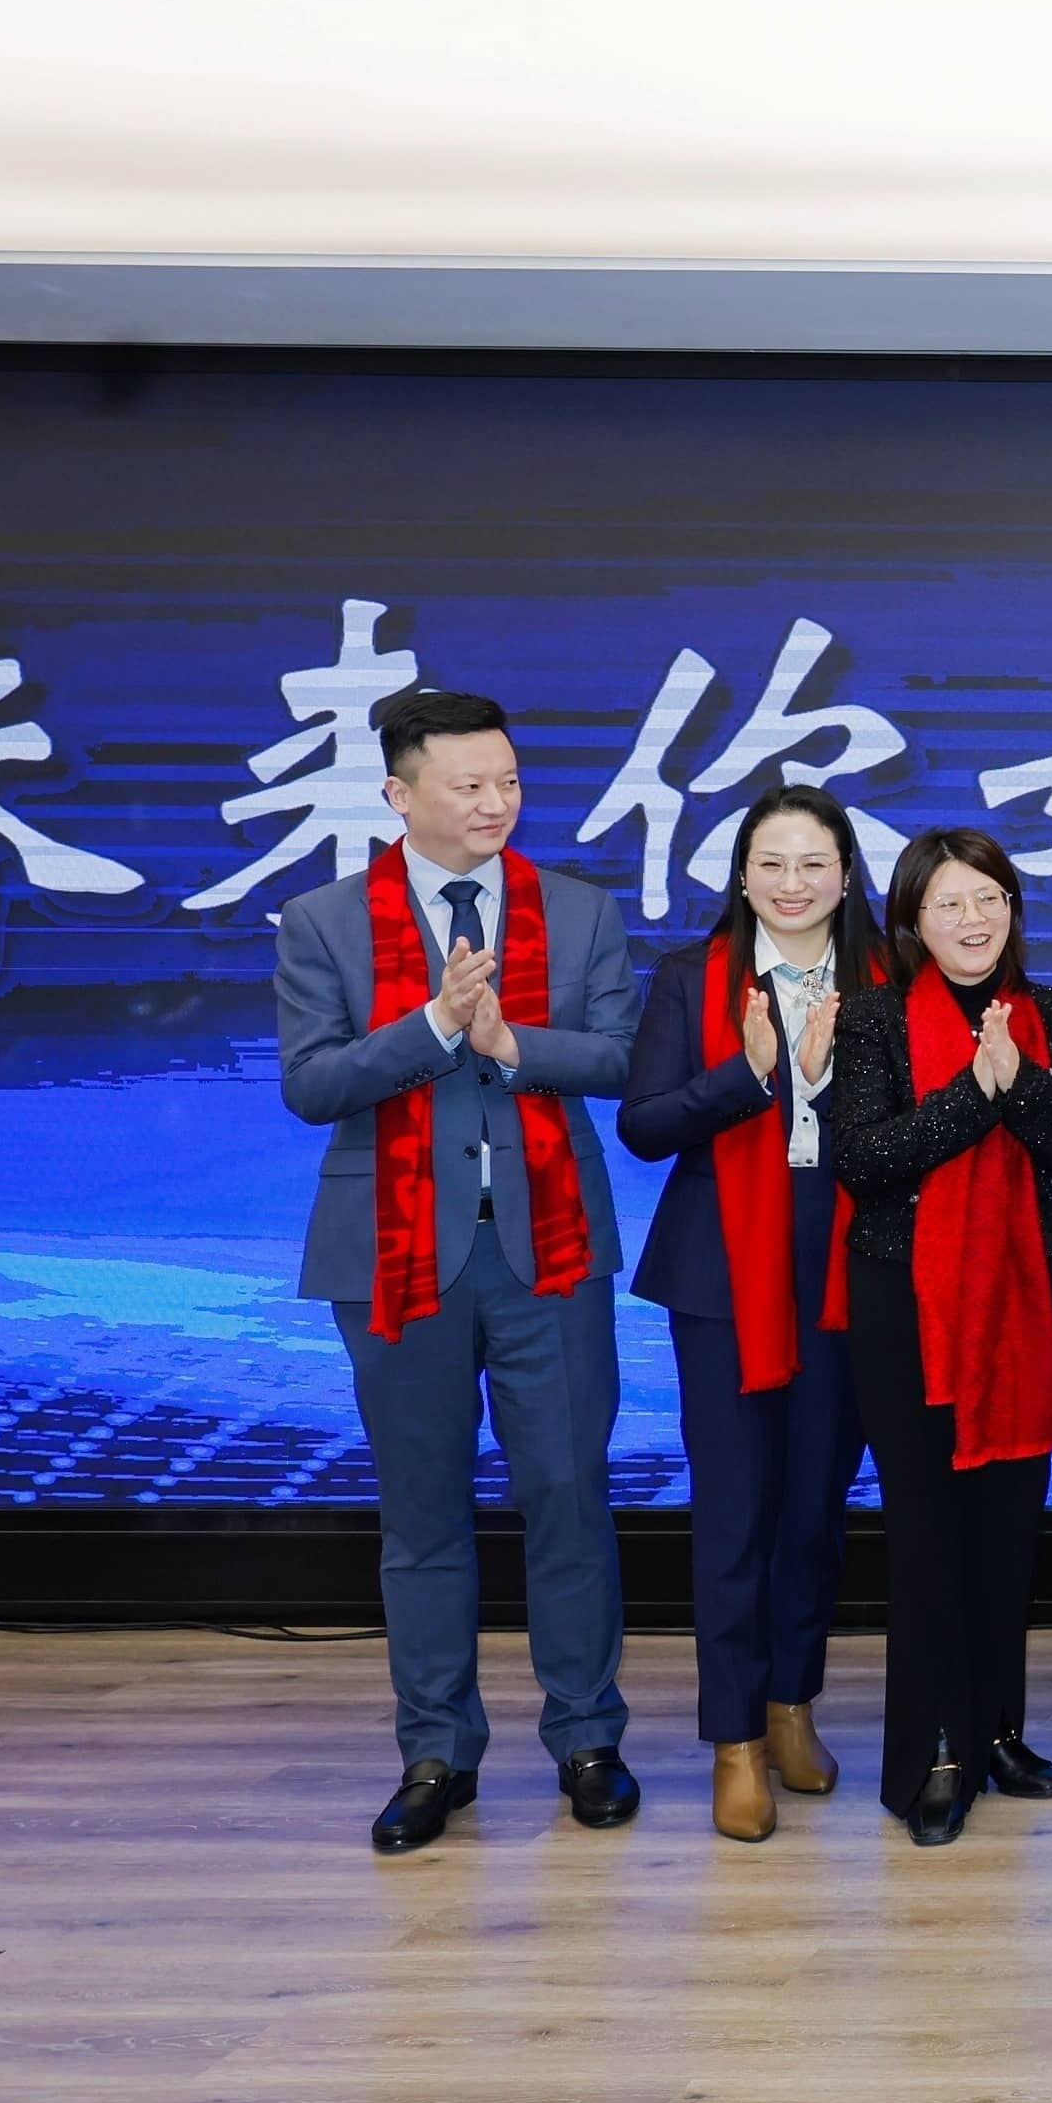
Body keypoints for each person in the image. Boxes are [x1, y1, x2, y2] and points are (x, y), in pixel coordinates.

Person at [272, 684, 640, 1856]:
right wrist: (434, 1026)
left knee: (569, 1495)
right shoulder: (323, 922)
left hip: (550, 1251)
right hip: (391, 1255)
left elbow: (623, 1057)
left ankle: (588, 1737)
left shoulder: (576, 910)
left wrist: (509, 1042)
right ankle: (436, 1750)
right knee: (422, 1509)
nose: (496, 802)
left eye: (509, 781)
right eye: (468, 784)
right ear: (400, 793)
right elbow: (312, 1083)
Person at [831, 826, 1052, 1847]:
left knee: (1005, 1524)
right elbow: (867, 1161)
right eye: (948, 902)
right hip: (904, 1298)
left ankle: (996, 1730)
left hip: (1021, 1294)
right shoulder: (873, 1020)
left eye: (989, 897)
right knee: (927, 1531)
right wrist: (976, 1093)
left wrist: (1021, 1080)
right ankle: (934, 1752)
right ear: (913, 920)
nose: (973, 918)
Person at [617, 786, 882, 1842]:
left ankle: (790, 1707)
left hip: (847, 1263)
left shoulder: (887, 977)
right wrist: (749, 1075)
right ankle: (733, 1740)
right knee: (735, 1513)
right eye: (771, 863)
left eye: (814, 863)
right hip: (722, 1269)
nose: (792, 883)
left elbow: (912, 1121)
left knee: (815, 1510)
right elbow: (644, 1125)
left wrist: (832, 1081)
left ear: (847, 876)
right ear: (740, 875)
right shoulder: (692, 978)